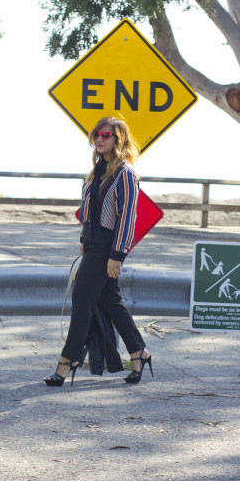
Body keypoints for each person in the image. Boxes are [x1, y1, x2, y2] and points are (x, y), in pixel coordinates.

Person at [44, 116, 153, 386]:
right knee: (111, 303)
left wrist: (117, 255)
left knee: (82, 301)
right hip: (93, 243)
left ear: (119, 139)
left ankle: (68, 360)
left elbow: (128, 218)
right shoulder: (96, 173)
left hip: (108, 247)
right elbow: (89, 212)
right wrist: (84, 236)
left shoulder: (125, 174)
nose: (100, 139)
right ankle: (139, 352)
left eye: (106, 135)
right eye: (97, 135)